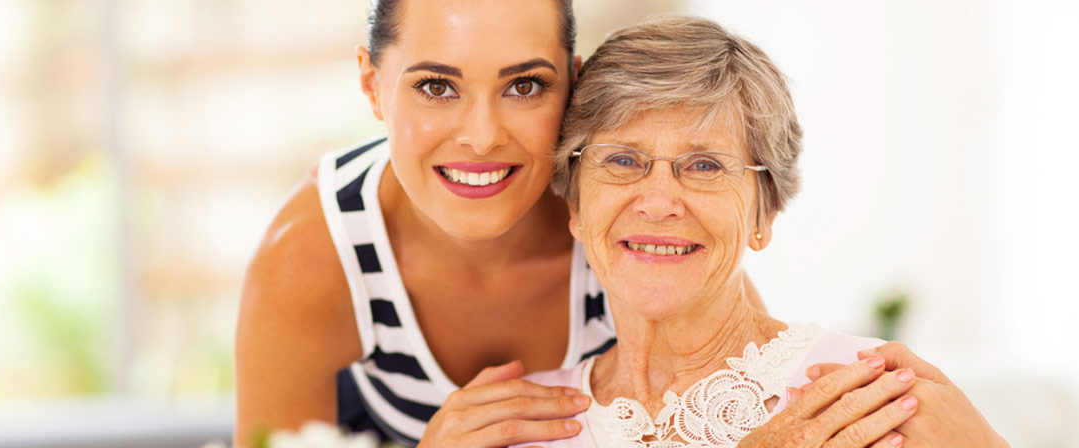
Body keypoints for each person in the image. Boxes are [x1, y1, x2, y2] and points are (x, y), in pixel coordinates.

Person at [235, 1, 981, 447]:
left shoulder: (850, 394)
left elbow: (733, 336)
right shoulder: (313, 259)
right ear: (372, 84)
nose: (483, 137)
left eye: (525, 85)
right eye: (436, 86)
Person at [513, 16, 1008, 447]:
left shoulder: (865, 396)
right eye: (623, 159)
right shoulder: (520, 424)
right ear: (575, 205)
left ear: (763, 215)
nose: (659, 202)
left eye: (705, 165)